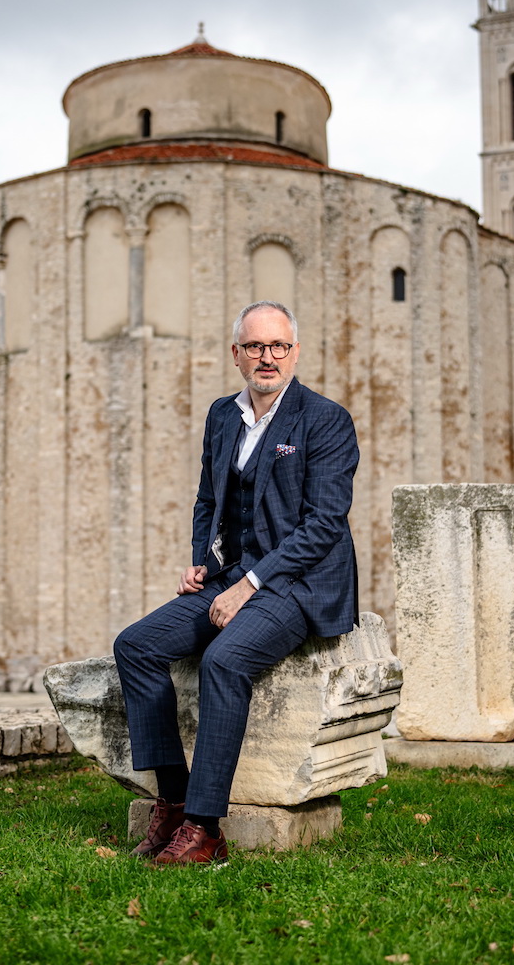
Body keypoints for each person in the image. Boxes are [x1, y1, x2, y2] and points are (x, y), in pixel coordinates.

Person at [112, 300, 360, 866]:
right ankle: (175, 802)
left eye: (278, 346)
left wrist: (248, 583)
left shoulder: (325, 419)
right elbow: (208, 500)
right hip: (230, 575)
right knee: (137, 646)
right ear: (236, 354)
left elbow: (324, 524)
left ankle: (205, 829)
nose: (266, 357)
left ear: (294, 352)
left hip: (298, 585)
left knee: (224, 660)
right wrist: (203, 562)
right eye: (254, 346)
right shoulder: (222, 415)